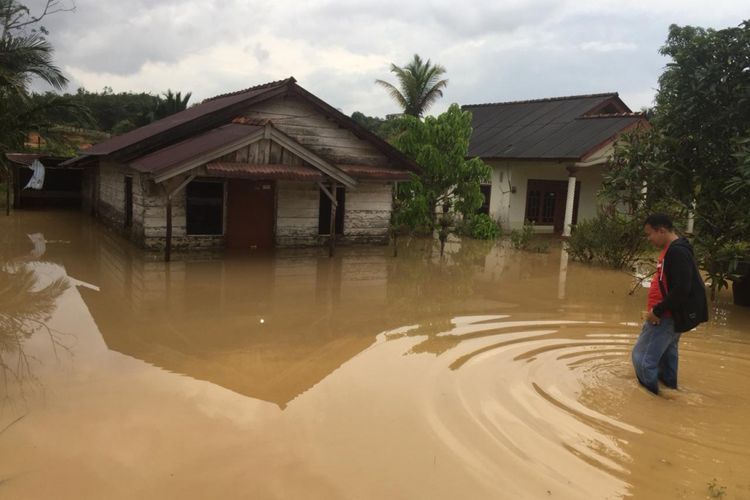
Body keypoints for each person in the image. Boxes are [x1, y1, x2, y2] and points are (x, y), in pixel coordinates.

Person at [631, 214, 708, 394]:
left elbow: (682, 288)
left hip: (665, 317)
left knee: (641, 358)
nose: (648, 239)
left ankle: (653, 398)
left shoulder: (677, 251)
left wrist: (657, 311)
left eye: (649, 234)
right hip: (670, 315)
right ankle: (670, 392)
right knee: (666, 357)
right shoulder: (676, 248)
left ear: (662, 230)